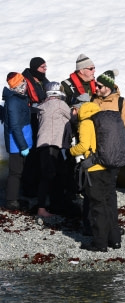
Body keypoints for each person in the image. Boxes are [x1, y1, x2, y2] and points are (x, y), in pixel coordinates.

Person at [68, 101, 121, 252]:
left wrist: (71, 151)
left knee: (97, 206)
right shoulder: (102, 120)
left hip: (94, 169)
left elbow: (84, 146)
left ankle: (100, 243)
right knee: (110, 203)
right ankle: (115, 240)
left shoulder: (86, 122)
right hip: (109, 166)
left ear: (79, 110)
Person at [35, 82, 72, 217]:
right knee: (49, 176)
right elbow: (72, 117)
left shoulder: (43, 106)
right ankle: (42, 208)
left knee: (54, 174)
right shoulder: (59, 104)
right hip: (52, 143)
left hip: (44, 144)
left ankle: (54, 203)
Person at [2, 73, 33, 211]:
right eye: (24, 83)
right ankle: (11, 201)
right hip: (17, 143)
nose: (26, 85)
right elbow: (15, 126)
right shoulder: (13, 101)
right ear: (19, 85)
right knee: (15, 173)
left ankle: (16, 197)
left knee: (19, 171)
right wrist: (23, 146)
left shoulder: (19, 98)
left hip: (23, 140)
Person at [21, 57, 50, 197]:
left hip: (42, 121)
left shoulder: (44, 81)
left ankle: (39, 185)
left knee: (41, 154)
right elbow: (22, 103)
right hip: (30, 121)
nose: (45, 69)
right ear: (34, 68)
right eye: (42, 67)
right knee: (31, 156)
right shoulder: (24, 82)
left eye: (45, 67)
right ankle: (28, 188)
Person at [93, 69, 125, 164]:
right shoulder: (93, 100)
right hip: (95, 152)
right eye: (96, 85)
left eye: (99, 86)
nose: (96, 88)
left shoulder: (120, 103)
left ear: (108, 87)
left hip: (113, 153)